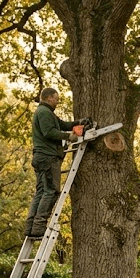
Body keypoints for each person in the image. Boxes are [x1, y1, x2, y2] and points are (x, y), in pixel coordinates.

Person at [24, 87, 90, 239]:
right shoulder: (44, 113)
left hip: (41, 157)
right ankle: (39, 226)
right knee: (51, 191)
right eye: (56, 99)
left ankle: (31, 226)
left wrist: (78, 123)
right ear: (49, 98)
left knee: (41, 192)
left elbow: (61, 124)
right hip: (48, 157)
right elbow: (49, 132)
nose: (57, 102)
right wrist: (69, 137)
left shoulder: (46, 113)